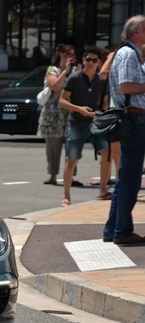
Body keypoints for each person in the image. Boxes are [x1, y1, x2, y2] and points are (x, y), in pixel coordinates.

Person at [103, 15, 145, 245]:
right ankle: (122, 231)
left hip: (132, 119)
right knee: (130, 177)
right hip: (135, 119)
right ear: (135, 32)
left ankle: (113, 228)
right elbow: (126, 86)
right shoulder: (129, 54)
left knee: (125, 176)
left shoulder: (132, 54)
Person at [59, 46, 109, 208]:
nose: (90, 63)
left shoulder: (102, 81)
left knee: (106, 153)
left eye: (94, 60)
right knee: (71, 159)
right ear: (83, 60)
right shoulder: (74, 78)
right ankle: (66, 197)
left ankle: (102, 190)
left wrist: (102, 114)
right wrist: (79, 109)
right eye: (88, 59)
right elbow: (62, 101)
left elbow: (105, 103)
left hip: (95, 123)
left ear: (99, 63)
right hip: (76, 123)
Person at [38, 44, 78, 186]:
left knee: (72, 145)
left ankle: (71, 177)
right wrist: (65, 71)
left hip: (70, 111)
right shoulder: (52, 70)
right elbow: (55, 86)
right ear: (61, 54)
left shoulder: (76, 71)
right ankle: (53, 175)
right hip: (53, 113)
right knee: (53, 147)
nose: (71, 58)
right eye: (69, 55)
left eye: (73, 55)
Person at [98, 45, 122, 186]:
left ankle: (121, 184)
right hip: (119, 113)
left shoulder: (121, 68)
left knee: (118, 153)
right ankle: (121, 183)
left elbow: (103, 72)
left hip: (123, 113)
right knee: (116, 153)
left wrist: (112, 56)